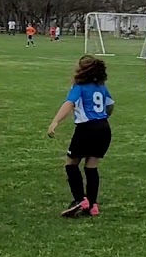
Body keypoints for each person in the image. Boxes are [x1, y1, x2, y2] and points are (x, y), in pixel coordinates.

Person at [46, 56, 113, 218]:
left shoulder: (79, 87)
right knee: (91, 166)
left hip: (86, 129)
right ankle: (93, 204)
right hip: (104, 128)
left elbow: (69, 103)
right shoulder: (101, 87)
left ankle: (80, 200)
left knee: (71, 163)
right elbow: (110, 104)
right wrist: (103, 117)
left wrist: (55, 121)